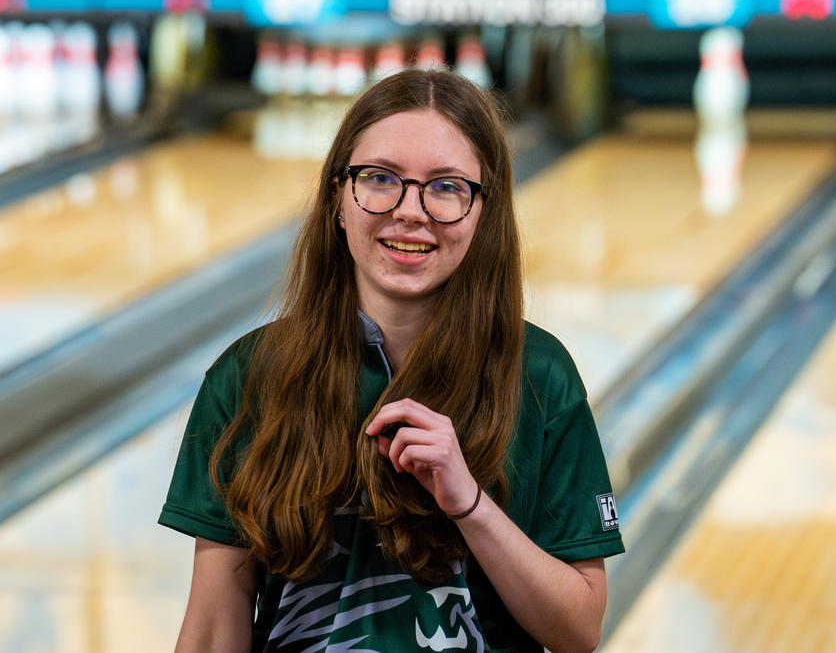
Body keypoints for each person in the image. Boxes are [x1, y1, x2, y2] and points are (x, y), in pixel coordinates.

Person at [159, 67, 625, 653]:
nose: (411, 210)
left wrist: (471, 505)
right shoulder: (249, 378)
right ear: (338, 195)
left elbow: (579, 630)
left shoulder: (539, 376)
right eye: (380, 178)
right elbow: (210, 626)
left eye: (447, 186)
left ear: (484, 212)